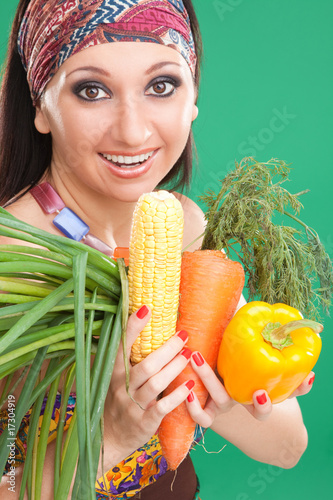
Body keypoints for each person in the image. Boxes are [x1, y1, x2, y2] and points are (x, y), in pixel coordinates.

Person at [0, 1, 314, 498]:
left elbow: (287, 448)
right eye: (92, 90)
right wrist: (109, 437)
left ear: (192, 98)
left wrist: (224, 396)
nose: (133, 131)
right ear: (40, 106)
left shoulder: (188, 226)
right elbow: (8, 478)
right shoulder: (10, 257)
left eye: (161, 86)